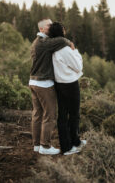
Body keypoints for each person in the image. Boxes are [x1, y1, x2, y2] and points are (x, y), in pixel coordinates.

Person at [29, 18, 73, 155]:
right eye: (49, 25)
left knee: (37, 114)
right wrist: (69, 42)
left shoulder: (36, 42)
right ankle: (45, 146)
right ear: (41, 29)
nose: (52, 26)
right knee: (50, 115)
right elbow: (60, 40)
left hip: (34, 82)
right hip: (43, 84)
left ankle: (37, 145)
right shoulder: (44, 43)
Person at [49, 22, 86, 155]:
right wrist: (74, 50)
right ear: (62, 32)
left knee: (63, 115)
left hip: (58, 84)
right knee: (74, 114)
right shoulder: (65, 49)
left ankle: (66, 146)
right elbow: (78, 67)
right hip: (70, 84)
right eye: (64, 29)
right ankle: (74, 143)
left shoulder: (52, 48)